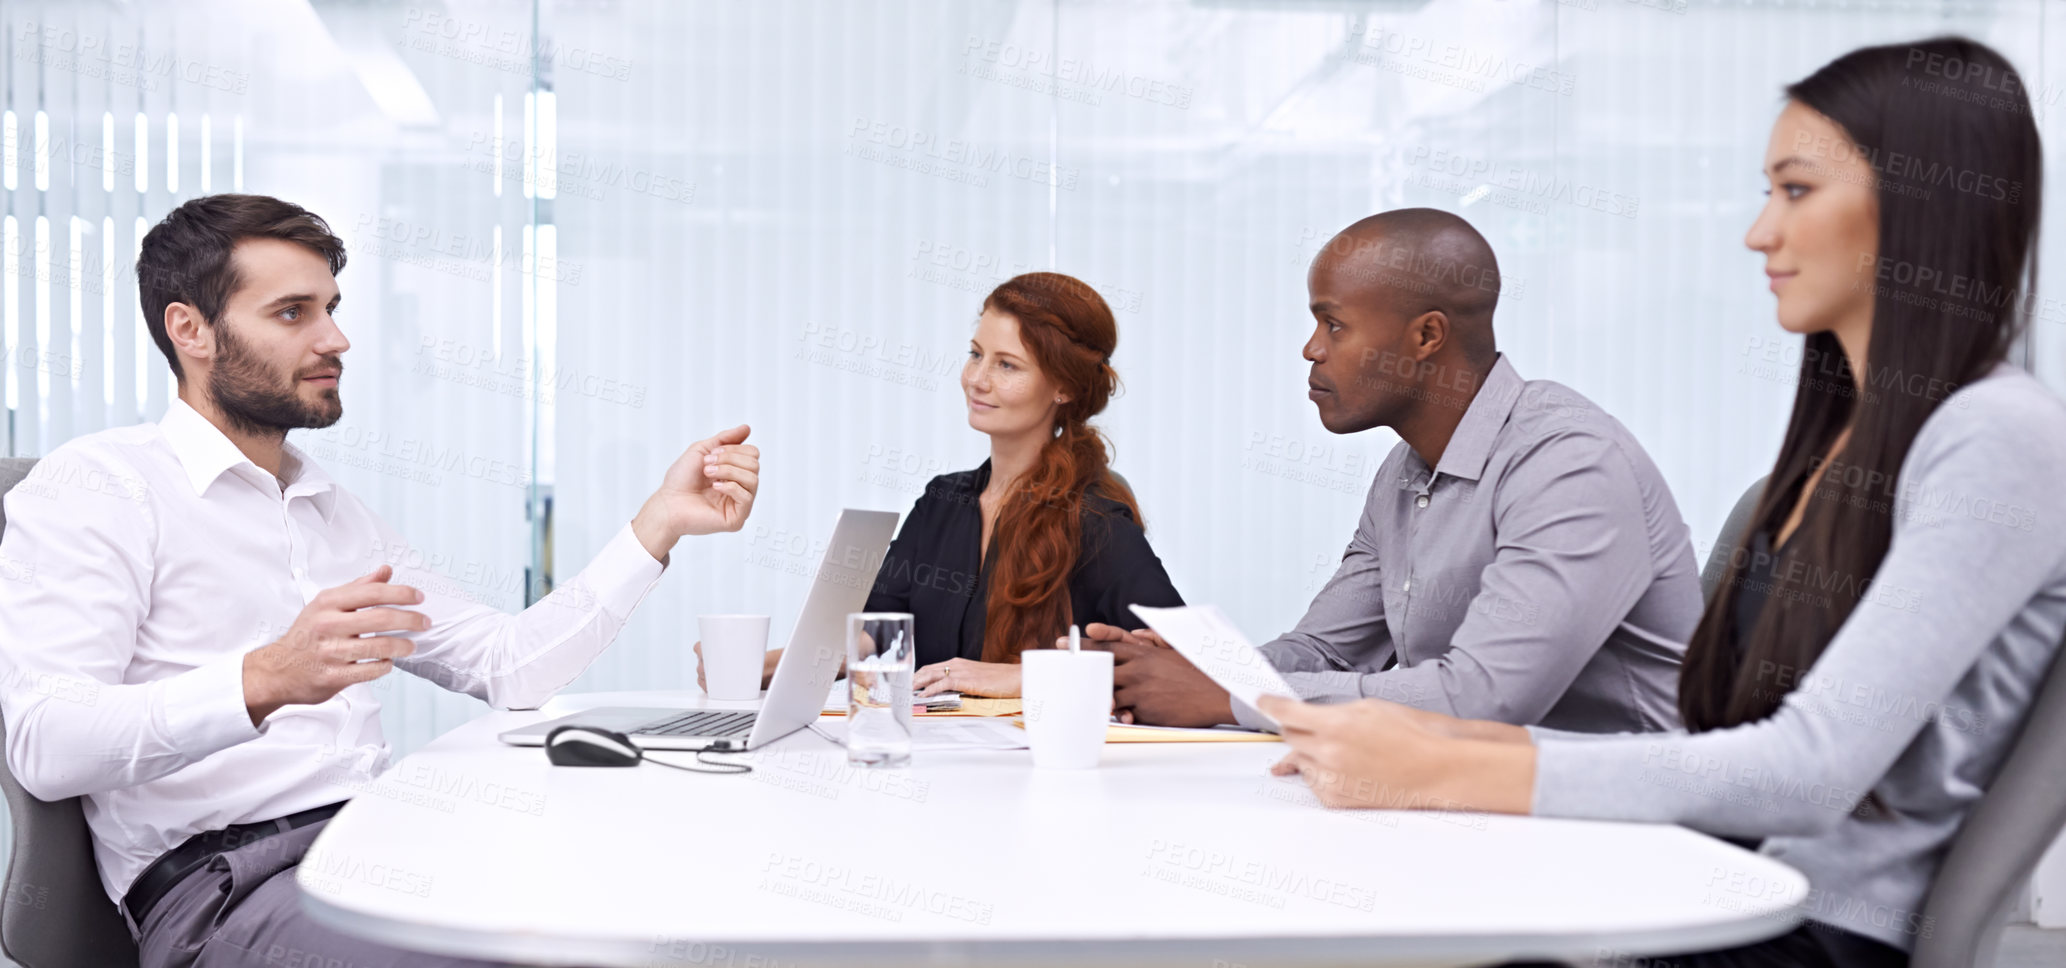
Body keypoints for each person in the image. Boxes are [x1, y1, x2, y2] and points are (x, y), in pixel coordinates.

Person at [1262, 37, 2060, 968]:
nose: (1761, 232)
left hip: (1797, 929)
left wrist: (1444, 763)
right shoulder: (1848, 440)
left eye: (1796, 190)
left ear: (1922, 207)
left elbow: (1808, 772)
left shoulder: (2000, 435)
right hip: (1698, 878)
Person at [0, 194, 762, 968]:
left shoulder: (331, 510)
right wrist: (267, 677)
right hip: (231, 889)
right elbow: (46, 745)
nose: (337, 338)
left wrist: (658, 523)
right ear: (190, 330)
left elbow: (509, 665)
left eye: (330, 308)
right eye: (293, 313)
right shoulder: (98, 486)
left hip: (388, 843)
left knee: (651, 909)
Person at [1096, 209, 1698, 733]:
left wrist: (1239, 695)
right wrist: (1194, 671)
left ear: (1426, 336)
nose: (1312, 348)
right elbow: (1329, 652)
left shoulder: (1569, 462)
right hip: (1488, 800)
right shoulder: (1405, 473)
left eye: (1333, 324)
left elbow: (1484, 700)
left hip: (1625, 829)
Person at [700, 272, 1182, 699]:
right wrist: (766, 666)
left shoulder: (1093, 518)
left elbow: (1179, 664)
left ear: (1065, 387)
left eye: (1006, 365)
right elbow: (879, 634)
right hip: (936, 761)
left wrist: (1020, 677)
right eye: (976, 355)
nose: (977, 379)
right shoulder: (942, 502)